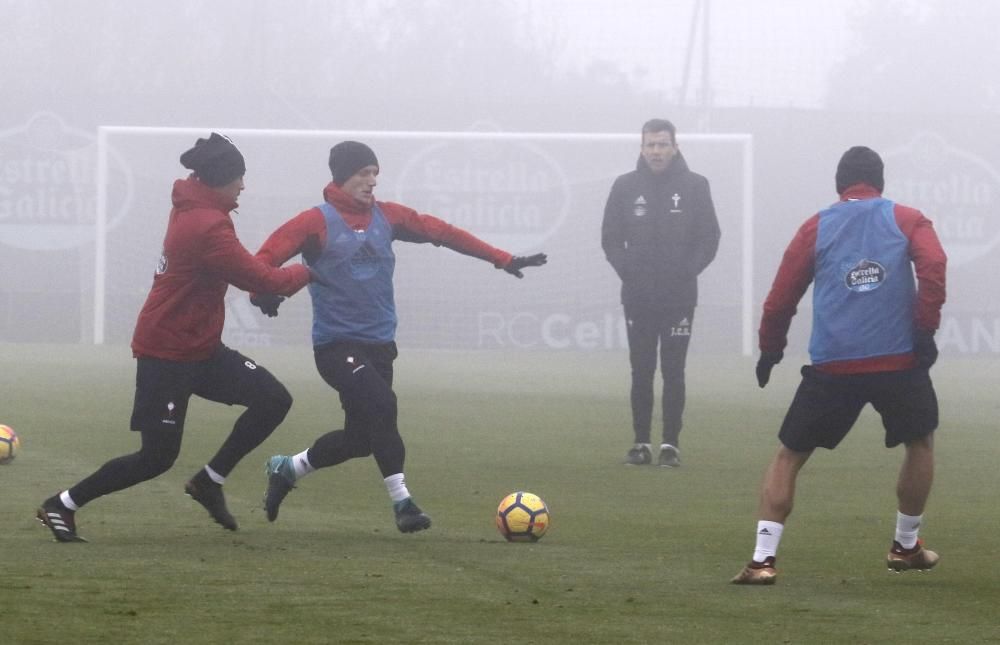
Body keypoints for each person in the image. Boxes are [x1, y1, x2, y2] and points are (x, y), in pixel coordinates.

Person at [252, 140, 547, 533]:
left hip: (379, 345)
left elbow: (445, 233)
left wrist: (503, 258)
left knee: (360, 439)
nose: (372, 181)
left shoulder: (388, 218)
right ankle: (403, 504)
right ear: (342, 176)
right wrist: (265, 291)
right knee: (382, 404)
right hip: (336, 346)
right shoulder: (314, 222)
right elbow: (262, 261)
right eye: (363, 174)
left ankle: (288, 468)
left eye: (375, 173)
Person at [37, 133, 315, 542]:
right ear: (221, 179)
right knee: (156, 457)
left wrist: (269, 288)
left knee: (273, 398)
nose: (243, 185)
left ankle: (209, 480)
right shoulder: (207, 224)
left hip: (199, 348)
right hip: (166, 352)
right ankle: (61, 504)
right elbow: (259, 276)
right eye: (239, 177)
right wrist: (309, 270)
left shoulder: (201, 210)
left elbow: (245, 275)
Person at [731, 146, 947, 585]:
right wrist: (924, 330)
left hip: (833, 365)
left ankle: (762, 561)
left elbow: (780, 296)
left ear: (838, 185)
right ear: (880, 183)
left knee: (789, 456)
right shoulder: (907, 218)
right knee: (919, 443)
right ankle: (905, 546)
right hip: (898, 360)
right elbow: (935, 265)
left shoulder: (817, 226)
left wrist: (770, 349)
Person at [601, 118, 721, 468]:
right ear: (641, 148)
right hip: (638, 296)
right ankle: (640, 444)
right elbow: (610, 238)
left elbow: (710, 238)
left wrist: (688, 270)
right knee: (641, 370)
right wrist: (628, 269)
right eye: (650, 145)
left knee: (674, 370)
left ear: (675, 146)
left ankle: (670, 445)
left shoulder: (696, 186)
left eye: (662, 144)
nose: (656, 151)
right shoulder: (624, 186)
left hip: (680, 296)